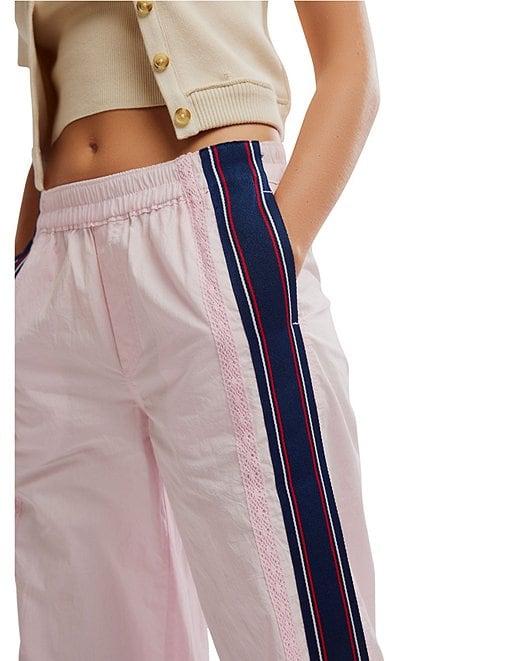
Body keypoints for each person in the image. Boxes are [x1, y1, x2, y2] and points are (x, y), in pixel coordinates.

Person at [14, 2, 382, 659]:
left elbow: (350, 66)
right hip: (56, 270)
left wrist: (272, 255)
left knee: (295, 632)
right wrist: (24, 264)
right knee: (81, 636)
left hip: (215, 224)